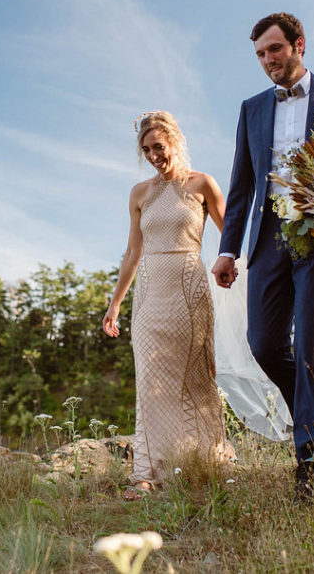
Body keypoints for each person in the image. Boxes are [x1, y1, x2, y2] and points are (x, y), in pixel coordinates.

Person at [211, 12, 314, 503]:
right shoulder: (252, 109)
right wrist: (228, 250)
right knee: (263, 343)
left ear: (299, 44)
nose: (267, 61)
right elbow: (240, 187)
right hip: (268, 236)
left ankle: (310, 460)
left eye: (274, 50)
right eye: (260, 54)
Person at [103, 111, 235, 501]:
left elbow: (230, 237)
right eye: (146, 150)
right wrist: (115, 304)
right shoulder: (139, 193)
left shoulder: (202, 184)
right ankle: (146, 473)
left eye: (158, 147)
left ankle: (209, 461)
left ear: (175, 142)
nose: (153, 155)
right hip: (148, 293)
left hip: (188, 287)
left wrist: (236, 268)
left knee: (195, 377)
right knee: (148, 380)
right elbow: (131, 253)